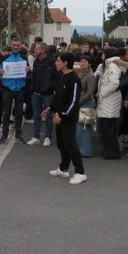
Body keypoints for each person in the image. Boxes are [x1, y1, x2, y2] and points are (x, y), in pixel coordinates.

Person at [45, 52, 86, 185]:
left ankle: (80, 172)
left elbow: (74, 101)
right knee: (62, 144)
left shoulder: (74, 79)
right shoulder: (62, 77)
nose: (56, 63)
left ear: (65, 62)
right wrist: (50, 107)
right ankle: (63, 168)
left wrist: (62, 114)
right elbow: (57, 97)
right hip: (58, 117)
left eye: (58, 61)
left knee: (71, 144)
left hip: (67, 118)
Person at [96, 48, 128, 159]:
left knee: (108, 129)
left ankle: (112, 152)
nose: (101, 56)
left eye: (103, 54)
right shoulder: (109, 66)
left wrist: (102, 93)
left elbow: (114, 83)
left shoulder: (112, 66)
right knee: (106, 129)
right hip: (107, 101)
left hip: (109, 101)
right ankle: (108, 150)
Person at [0, 38, 29, 145]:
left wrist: (28, 71)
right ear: (11, 46)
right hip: (8, 89)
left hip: (20, 89)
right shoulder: (5, 57)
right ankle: (4, 135)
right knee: (6, 113)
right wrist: (0, 72)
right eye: (14, 45)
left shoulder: (24, 58)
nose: (16, 47)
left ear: (20, 46)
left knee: (19, 113)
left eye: (17, 45)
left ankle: (18, 135)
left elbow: (28, 74)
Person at [28, 43, 58, 146]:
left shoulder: (53, 62)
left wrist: (50, 86)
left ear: (43, 50)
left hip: (48, 94)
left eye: (37, 49)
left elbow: (57, 77)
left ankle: (47, 137)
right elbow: (34, 76)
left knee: (48, 116)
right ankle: (35, 137)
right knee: (36, 115)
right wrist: (32, 89)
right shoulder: (36, 61)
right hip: (36, 93)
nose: (34, 50)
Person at [76, 55, 97, 157]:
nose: (82, 63)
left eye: (85, 61)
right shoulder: (80, 74)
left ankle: (86, 151)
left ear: (89, 64)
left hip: (86, 103)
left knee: (84, 128)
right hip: (80, 102)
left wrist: (79, 101)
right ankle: (80, 149)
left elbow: (90, 92)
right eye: (81, 61)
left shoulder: (91, 76)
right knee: (79, 128)